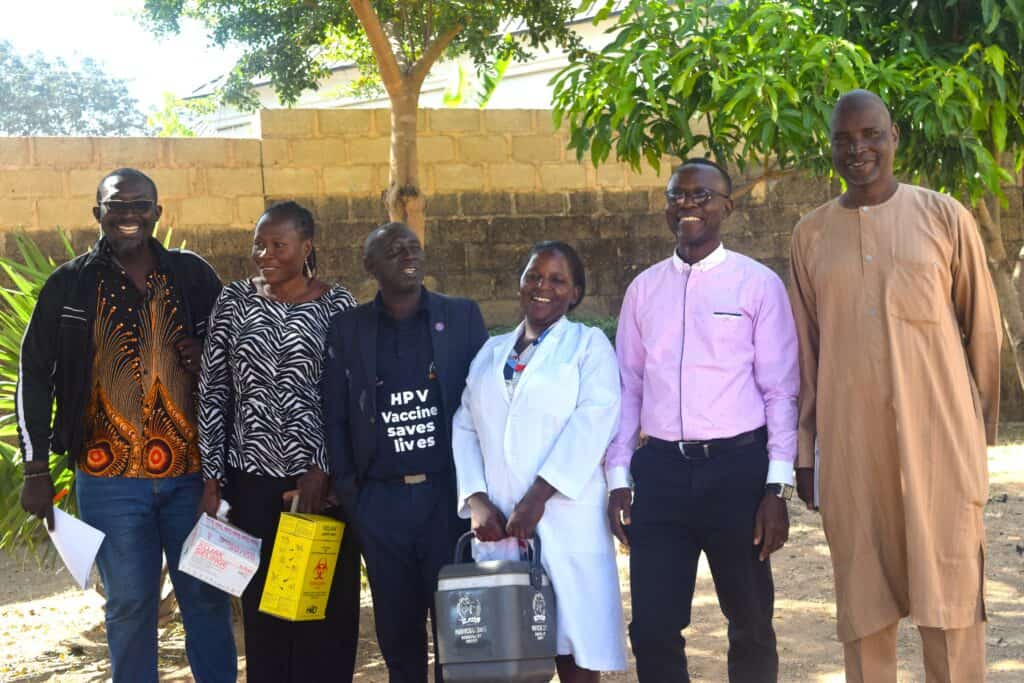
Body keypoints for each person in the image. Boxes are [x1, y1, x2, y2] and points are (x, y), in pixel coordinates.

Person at [789, 89, 1001, 682]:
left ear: (894, 137)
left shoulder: (945, 218)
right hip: (854, 450)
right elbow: (807, 355)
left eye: (870, 135)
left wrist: (975, 440)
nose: (858, 149)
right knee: (863, 606)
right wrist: (808, 454)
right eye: (844, 139)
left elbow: (982, 331)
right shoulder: (810, 236)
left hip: (941, 444)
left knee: (953, 599)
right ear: (830, 147)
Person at [16, 168, 236, 683]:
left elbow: (236, 352)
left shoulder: (192, 275)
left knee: (205, 600)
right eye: (117, 206)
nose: (129, 215)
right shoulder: (69, 285)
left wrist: (207, 354)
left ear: (158, 213)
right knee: (130, 604)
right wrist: (34, 469)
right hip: (108, 478)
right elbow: (33, 374)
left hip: (192, 476)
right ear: (98, 214)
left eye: (141, 205)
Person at [606, 158, 799, 682]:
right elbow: (628, 388)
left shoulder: (757, 285)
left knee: (752, 622)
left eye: (701, 196)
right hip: (661, 475)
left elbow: (781, 391)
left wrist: (775, 489)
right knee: (651, 628)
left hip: (737, 471)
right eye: (677, 196)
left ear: (726, 207)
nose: (687, 205)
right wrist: (618, 478)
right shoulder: (643, 290)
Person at [197, 201, 361, 682]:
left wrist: (324, 468)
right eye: (259, 244)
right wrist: (212, 480)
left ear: (306, 248)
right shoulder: (233, 301)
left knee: (321, 609)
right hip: (250, 486)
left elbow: (349, 396)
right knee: (264, 609)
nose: (263, 254)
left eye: (277, 245)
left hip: (318, 489)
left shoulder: (337, 304)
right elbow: (213, 391)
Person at [452, 240, 628, 682]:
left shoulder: (587, 347)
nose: (542, 287)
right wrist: (476, 500)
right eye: (533, 276)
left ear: (575, 293)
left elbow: (594, 420)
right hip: (500, 525)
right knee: (509, 649)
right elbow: (465, 424)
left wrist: (538, 496)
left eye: (556, 280)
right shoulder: (490, 352)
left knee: (575, 646)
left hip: (567, 518)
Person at [322, 221, 488, 682]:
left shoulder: (461, 316)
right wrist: (352, 493)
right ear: (370, 266)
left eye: (412, 246)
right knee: (398, 636)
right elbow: (334, 412)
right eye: (393, 250)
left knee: (459, 634)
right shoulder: (349, 327)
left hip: (446, 500)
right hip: (380, 503)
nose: (407, 254)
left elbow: (484, 406)